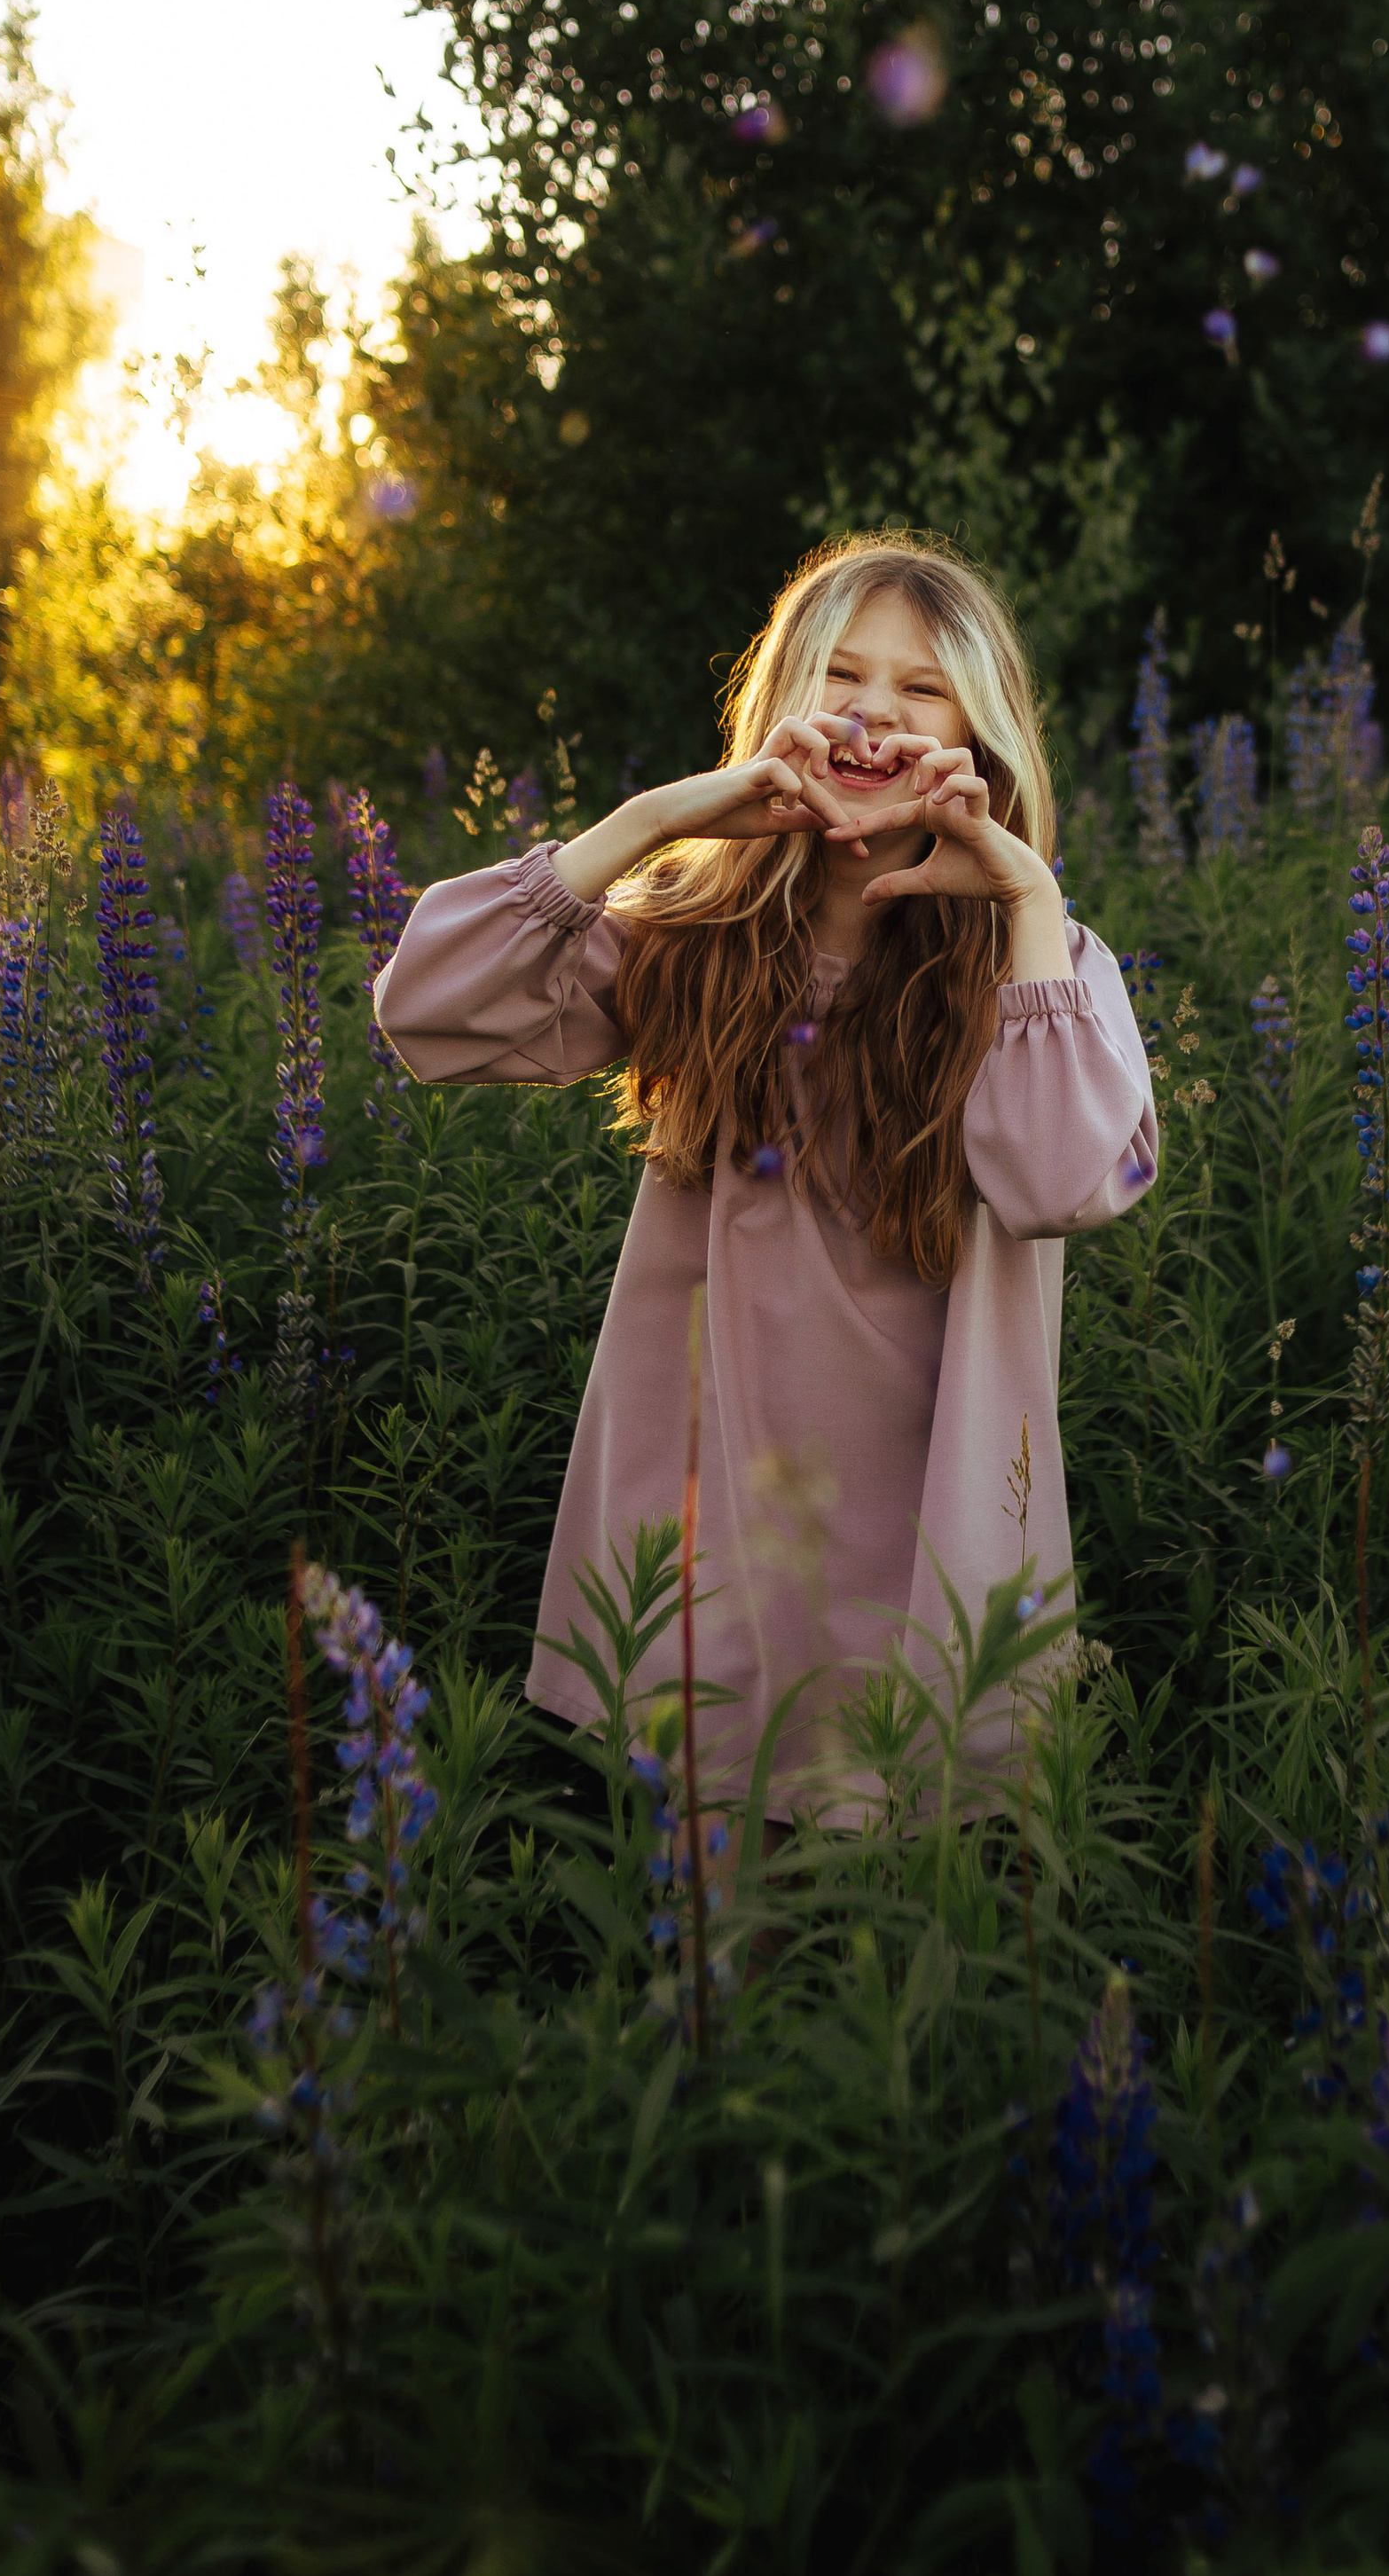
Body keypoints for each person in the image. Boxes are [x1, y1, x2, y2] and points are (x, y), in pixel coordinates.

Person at [372, 531, 1158, 1815]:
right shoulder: (695, 938)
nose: (872, 714)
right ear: (781, 709)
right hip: (715, 1509)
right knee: (721, 1872)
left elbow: (1070, 1182)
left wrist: (1023, 898)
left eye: (923, 689)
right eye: (839, 675)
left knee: (901, 1870)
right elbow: (426, 1010)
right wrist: (658, 820)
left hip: (931, 1505)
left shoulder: (1043, 969)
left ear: (979, 734)